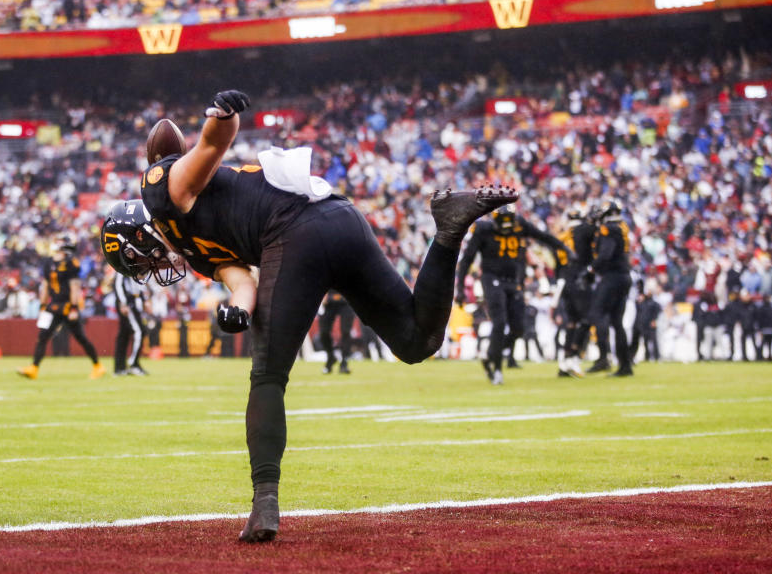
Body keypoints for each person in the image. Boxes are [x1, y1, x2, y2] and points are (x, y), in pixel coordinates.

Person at [99, 89, 518, 543]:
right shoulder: (197, 251)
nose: (155, 268)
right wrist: (238, 312)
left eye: (144, 261)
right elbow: (242, 284)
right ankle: (449, 231)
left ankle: (264, 504)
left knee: (267, 377)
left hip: (292, 232)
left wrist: (221, 116)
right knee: (417, 342)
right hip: (340, 218)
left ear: (142, 233)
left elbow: (211, 146)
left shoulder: (163, 190)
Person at [456, 205, 571, 385]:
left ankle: (493, 354)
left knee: (519, 327)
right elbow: (467, 260)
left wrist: (564, 248)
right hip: (491, 278)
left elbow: (543, 237)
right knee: (499, 322)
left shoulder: (520, 225)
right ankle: (497, 370)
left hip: (513, 280)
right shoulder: (483, 230)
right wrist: (460, 288)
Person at [17, 235, 105, 380]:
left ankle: (97, 365)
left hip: (67, 306)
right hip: (53, 305)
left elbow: (75, 287)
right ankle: (34, 368)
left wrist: (74, 308)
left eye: (59, 242)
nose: (55, 243)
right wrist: (43, 305)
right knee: (42, 336)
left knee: (80, 337)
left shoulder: (71, 263)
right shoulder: (48, 263)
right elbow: (45, 286)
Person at [587, 199, 634, 377]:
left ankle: (603, 357)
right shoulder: (622, 227)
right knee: (617, 322)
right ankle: (625, 365)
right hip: (623, 276)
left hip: (613, 276)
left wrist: (592, 269)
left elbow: (606, 253)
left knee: (597, 314)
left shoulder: (609, 229)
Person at [554, 206, 596, 377]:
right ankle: (573, 356)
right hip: (579, 279)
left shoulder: (562, 236)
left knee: (571, 321)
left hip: (564, 280)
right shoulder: (584, 230)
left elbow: (557, 265)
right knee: (586, 318)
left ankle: (564, 361)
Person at [113, 272, 150, 376]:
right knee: (139, 332)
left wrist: (144, 300)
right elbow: (118, 284)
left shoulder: (132, 267)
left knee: (123, 335)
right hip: (128, 304)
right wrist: (123, 302)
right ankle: (133, 363)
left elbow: (139, 284)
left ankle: (120, 368)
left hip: (133, 303)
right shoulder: (122, 268)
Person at [319, 290, 353, 374]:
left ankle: (344, 363)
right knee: (323, 332)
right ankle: (331, 357)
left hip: (346, 300)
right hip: (330, 300)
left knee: (346, 331)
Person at [629, 288, 661, 362]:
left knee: (654, 340)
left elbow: (657, 312)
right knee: (645, 341)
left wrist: (654, 320)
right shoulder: (641, 303)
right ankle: (647, 356)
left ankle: (657, 356)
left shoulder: (654, 303)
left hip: (651, 324)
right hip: (642, 325)